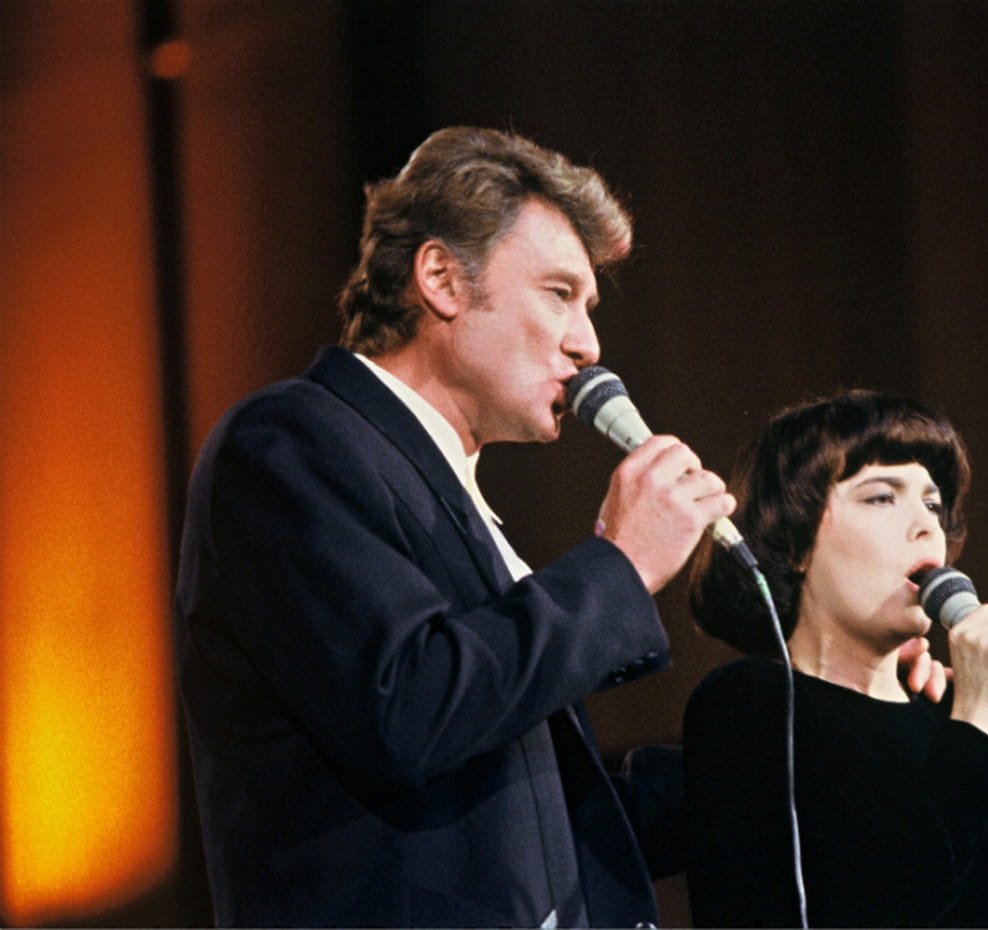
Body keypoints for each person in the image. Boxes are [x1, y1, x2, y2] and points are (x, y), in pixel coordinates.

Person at [173, 126, 739, 927]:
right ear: (440, 278)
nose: (588, 343)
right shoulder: (290, 443)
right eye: (559, 293)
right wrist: (618, 566)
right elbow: (408, 705)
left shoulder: (452, 493)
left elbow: (539, 815)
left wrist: (795, 750)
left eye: (588, 306)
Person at [682, 390, 988, 927]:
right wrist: (975, 719)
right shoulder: (750, 707)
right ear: (795, 543)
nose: (926, 525)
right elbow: (881, 896)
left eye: (933, 504)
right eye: (881, 498)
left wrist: (979, 718)